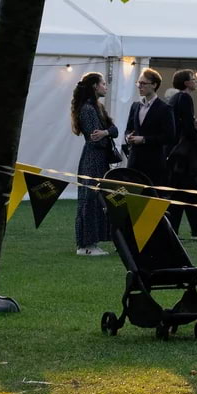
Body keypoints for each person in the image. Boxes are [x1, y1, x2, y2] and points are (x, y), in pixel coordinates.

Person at [71, 72, 118, 256]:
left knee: (99, 201)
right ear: (94, 86)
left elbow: (113, 130)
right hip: (92, 159)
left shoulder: (98, 107)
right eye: (103, 83)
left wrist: (106, 133)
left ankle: (93, 242)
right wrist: (107, 133)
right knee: (89, 200)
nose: (105, 86)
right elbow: (95, 139)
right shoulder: (88, 110)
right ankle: (86, 245)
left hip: (100, 160)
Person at [165, 69, 197, 237]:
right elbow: (188, 128)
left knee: (187, 190)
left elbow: (181, 122)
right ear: (186, 83)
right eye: (193, 79)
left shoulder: (176, 98)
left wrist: (192, 122)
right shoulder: (185, 97)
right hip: (184, 154)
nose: (196, 81)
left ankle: (196, 226)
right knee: (184, 190)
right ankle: (176, 228)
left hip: (176, 151)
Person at [124, 68, 175, 186]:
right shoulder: (135, 106)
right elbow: (129, 128)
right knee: (133, 197)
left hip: (154, 162)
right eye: (138, 83)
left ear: (154, 85)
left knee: (151, 197)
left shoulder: (165, 109)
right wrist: (128, 137)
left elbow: (169, 136)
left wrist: (144, 139)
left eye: (143, 83)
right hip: (134, 160)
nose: (139, 86)